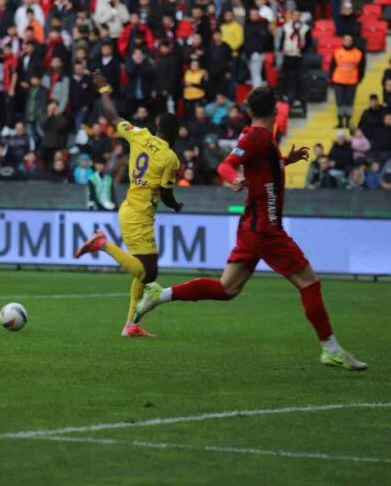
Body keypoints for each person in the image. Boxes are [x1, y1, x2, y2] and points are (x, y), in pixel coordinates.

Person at [134, 87, 366, 370]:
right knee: (309, 282)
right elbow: (226, 165)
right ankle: (330, 349)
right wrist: (234, 178)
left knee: (227, 288)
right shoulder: (256, 136)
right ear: (276, 109)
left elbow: (260, 166)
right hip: (265, 229)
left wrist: (283, 161)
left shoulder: (259, 137)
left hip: (252, 227)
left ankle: (161, 294)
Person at [75, 71, 183, 338]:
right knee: (148, 272)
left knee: (144, 273)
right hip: (139, 215)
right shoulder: (170, 158)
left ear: (157, 128)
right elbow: (167, 195)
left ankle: (131, 324)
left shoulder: (140, 135)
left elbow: (113, 116)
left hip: (130, 209)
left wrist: (104, 90)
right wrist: (176, 205)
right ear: (175, 133)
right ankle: (103, 244)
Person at [330, 34, 365, 128]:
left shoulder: (358, 53)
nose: (347, 42)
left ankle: (348, 121)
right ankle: (340, 122)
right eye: (345, 40)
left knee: (349, 102)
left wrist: (359, 79)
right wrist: (331, 78)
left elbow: (362, 68)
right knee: (339, 102)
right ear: (343, 41)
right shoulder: (337, 52)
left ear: (352, 41)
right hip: (338, 80)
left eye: (349, 40)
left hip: (352, 81)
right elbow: (332, 66)